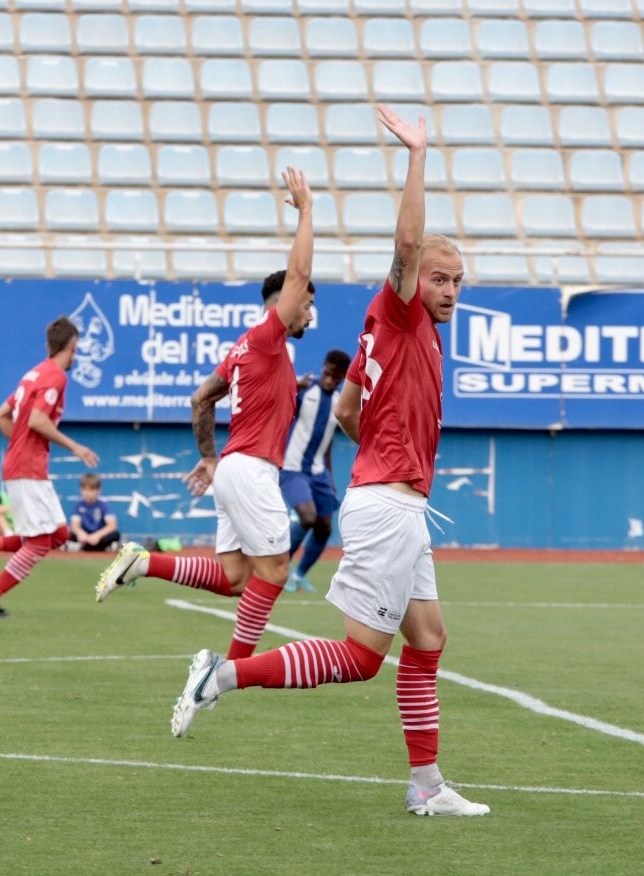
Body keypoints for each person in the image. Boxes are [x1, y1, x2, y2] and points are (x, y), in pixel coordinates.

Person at [168, 105, 489, 818]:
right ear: (415, 279)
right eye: (440, 278)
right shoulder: (400, 309)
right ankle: (220, 677)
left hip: (393, 498)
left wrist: (376, 445)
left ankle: (427, 785)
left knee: (428, 639)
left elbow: (346, 411)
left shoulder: (395, 331)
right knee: (360, 659)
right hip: (389, 504)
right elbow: (406, 241)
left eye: (458, 281)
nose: (450, 290)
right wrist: (416, 155)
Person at [94, 167, 314, 664]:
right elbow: (298, 276)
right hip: (254, 470)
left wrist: (210, 459)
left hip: (234, 467)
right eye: (306, 307)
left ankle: (143, 563)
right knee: (274, 573)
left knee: (236, 578)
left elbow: (200, 398)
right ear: (284, 306)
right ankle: (227, 674)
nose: (309, 316)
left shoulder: (244, 349)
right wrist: (307, 212)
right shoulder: (267, 335)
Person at [0, 316, 100, 618]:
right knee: (37, 544)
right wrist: (75, 447)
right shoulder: (56, 376)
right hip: (28, 468)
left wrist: (23, 443)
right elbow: (38, 420)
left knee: (60, 534)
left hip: (23, 464)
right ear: (72, 346)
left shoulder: (33, 374)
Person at [281, 348, 351, 593]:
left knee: (324, 526)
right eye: (328, 374)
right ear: (323, 367)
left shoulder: (338, 402)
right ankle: (278, 566)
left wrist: (330, 478)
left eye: (336, 377)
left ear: (343, 377)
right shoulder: (304, 390)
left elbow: (327, 442)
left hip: (319, 471)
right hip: (293, 468)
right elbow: (280, 414)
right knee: (307, 517)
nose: (331, 380)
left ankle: (298, 576)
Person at [67, 473, 120, 552]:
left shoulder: (103, 504)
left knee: (115, 534)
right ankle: (81, 545)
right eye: (84, 489)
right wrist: (81, 533)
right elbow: (75, 525)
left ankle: (102, 546)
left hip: (99, 535)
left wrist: (97, 535)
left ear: (98, 490)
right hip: (84, 536)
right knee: (68, 533)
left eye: (91, 490)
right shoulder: (79, 504)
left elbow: (112, 525)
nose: (87, 493)